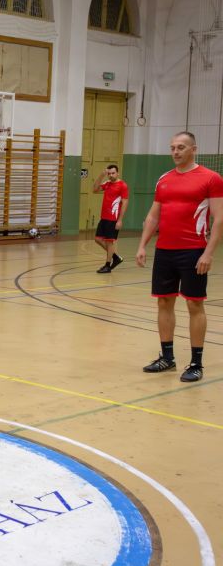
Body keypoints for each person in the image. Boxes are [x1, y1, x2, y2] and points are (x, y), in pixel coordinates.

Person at [136, 131, 223, 382]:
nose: (175, 152)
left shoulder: (211, 178)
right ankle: (167, 358)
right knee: (164, 302)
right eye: (172, 147)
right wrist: (143, 245)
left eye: (181, 147)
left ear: (193, 149)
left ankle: (196, 363)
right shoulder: (164, 179)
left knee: (195, 304)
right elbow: (154, 216)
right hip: (165, 251)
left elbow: (218, 219)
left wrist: (208, 252)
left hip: (193, 251)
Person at [92, 164, 128, 273]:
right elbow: (95, 189)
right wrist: (101, 175)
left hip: (113, 218)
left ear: (117, 173)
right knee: (98, 239)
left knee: (109, 242)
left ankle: (107, 265)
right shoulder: (107, 183)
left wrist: (120, 220)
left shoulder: (122, 185)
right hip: (104, 217)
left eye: (113, 173)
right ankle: (116, 257)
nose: (111, 175)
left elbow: (125, 202)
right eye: (109, 173)